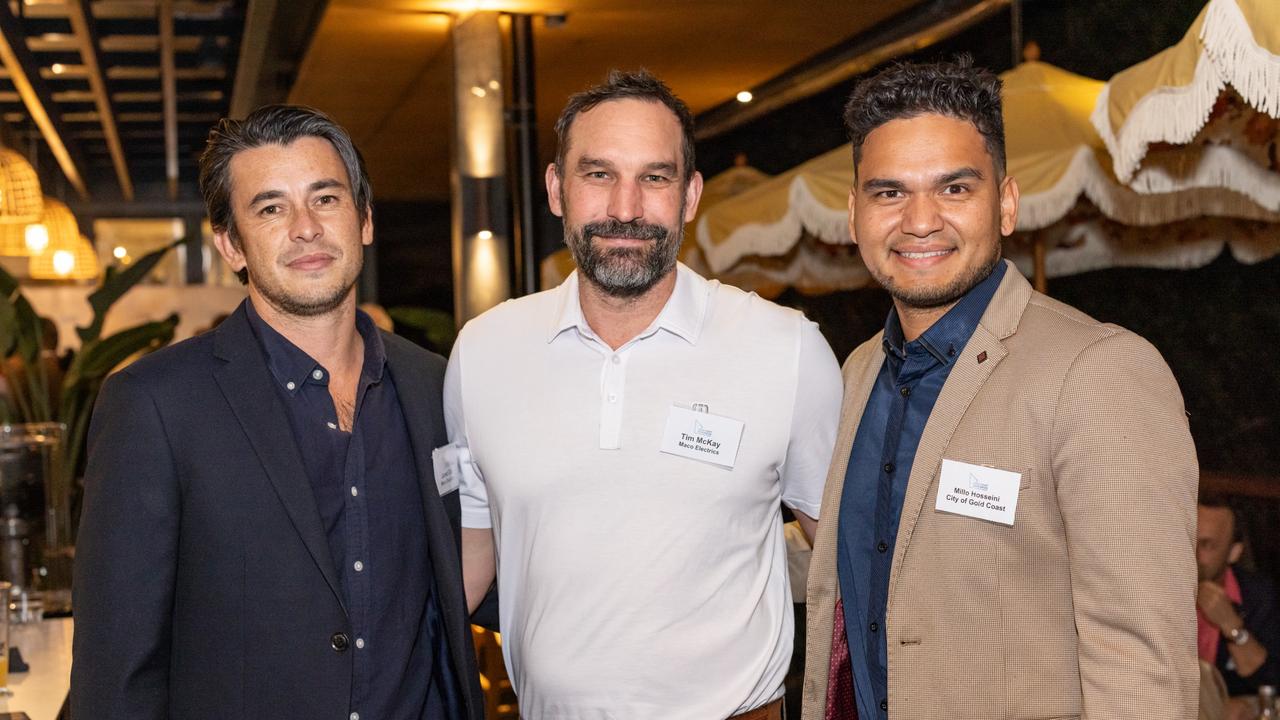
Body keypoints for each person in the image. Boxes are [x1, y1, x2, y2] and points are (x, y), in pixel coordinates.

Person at [801, 58, 1199, 719]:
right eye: (889, 192)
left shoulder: (1099, 372)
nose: (920, 220)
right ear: (854, 214)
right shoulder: (858, 371)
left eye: (954, 189)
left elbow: (1142, 669)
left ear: (1007, 203)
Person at [444, 69, 843, 719]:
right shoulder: (485, 352)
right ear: (556, 189)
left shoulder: (786, 349)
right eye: (598, 174)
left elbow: (844, 565)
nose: (626, 208)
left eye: (654, 178)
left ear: (689, 197)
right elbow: (472, 557)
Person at [71, 105, 483, 720]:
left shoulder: (434, 384)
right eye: (270, 208)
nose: (306, 228)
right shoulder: (154, 404)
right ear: (230, 244)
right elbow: (118, 669)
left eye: (326, 199)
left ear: (365, 219)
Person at [1197, 494, 1280, 720]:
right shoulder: (1158, 591)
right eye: (1187, 540)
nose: (1193, 554)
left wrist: (1230, 624)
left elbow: (1272, 682)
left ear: (1233, 552)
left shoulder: (1257, 596)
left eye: (1206, 545)